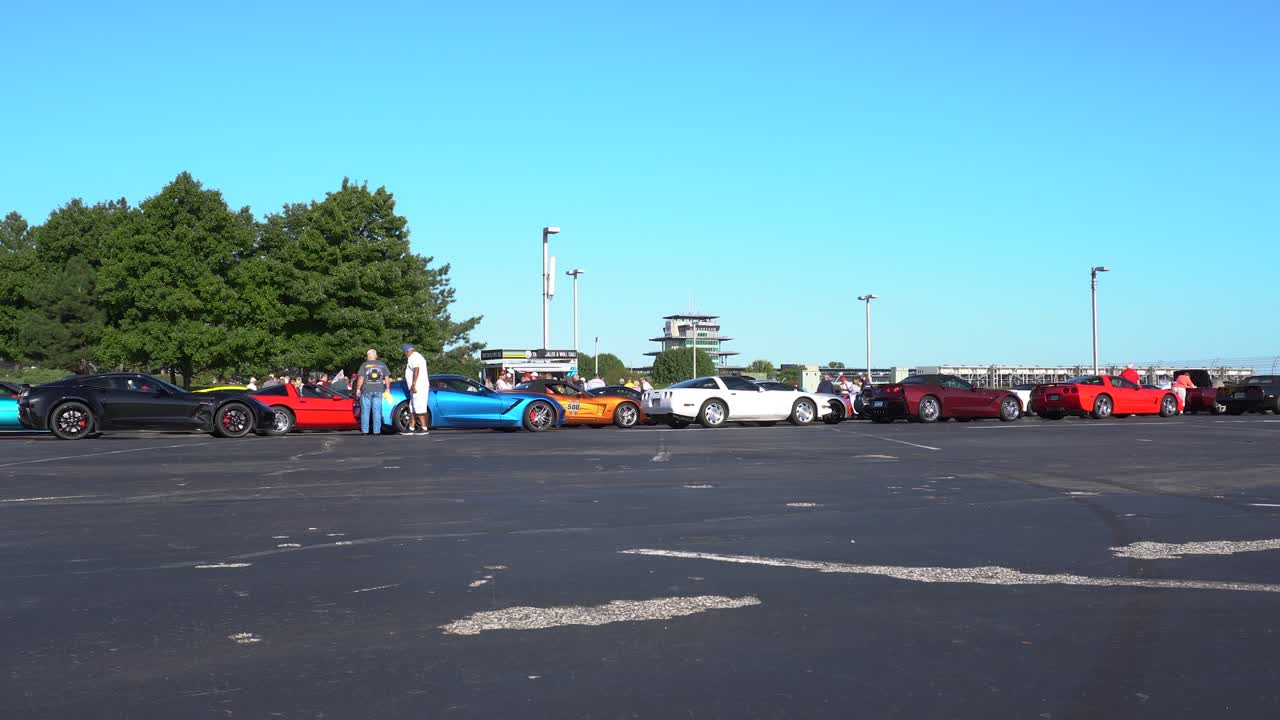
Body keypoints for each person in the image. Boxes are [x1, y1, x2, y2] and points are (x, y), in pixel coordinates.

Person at [355, 349, 391, 435]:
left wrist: (358, 389)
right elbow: (387, 377)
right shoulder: (382, 365)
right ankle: (377, 431)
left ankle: (365, 431)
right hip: (379, 390)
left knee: (365, 411)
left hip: (366, 390)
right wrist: (388, 389)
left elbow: (361, 378)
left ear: (368, 356)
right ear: (376, 356)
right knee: (377, 411)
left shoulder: (364, 365)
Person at [402, 344, 430, 435]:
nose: (405, 355)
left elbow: (416, 369)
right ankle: (411, 427)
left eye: (404, 353)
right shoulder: (416, 357)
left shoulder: (413, 357)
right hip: (416, 386)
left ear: (407, 351)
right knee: (412, 407)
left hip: (418, 386)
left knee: (419, 406)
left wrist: (414, 384)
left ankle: (424, 427)